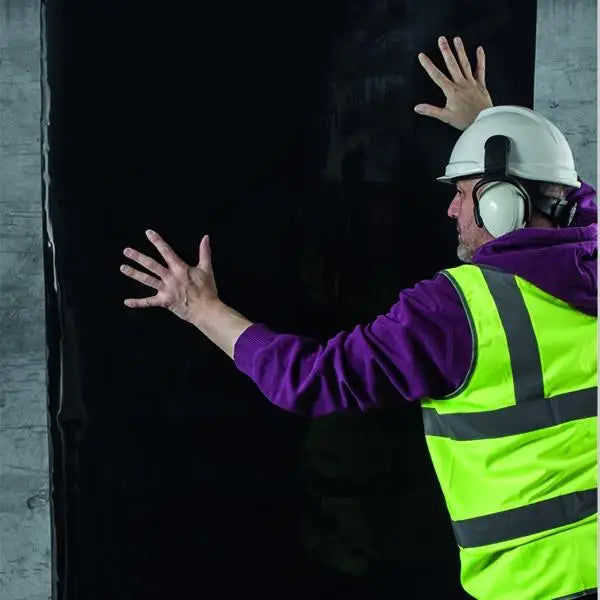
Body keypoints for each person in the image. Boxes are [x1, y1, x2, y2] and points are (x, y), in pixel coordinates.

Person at [119, 36, 598, 600]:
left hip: (543, 585)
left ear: (503, 202)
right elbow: (575, 206)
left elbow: (310, 381)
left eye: (465, 192)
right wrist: (492, 131)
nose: (450, 208)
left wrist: (201, 308)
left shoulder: (456, 310)